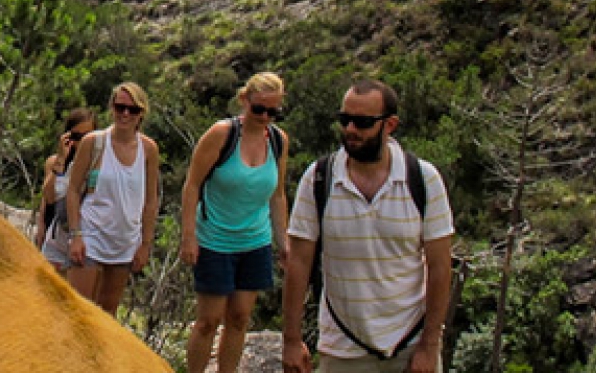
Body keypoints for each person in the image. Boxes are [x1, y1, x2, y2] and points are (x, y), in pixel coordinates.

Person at [282, 80, 454, 373]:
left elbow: (440, 267)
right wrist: (291, 340)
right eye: (345, 120)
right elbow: (298, 262)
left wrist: (429, 345)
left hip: (410, 346)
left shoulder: (424, 180)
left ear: (390, 125)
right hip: (343, 348)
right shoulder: (318, 179)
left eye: (362, 122)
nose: (350, 130)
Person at [180, 72, 290, 373]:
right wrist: (188, 236)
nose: (266, 116)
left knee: (240, 317)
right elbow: (192, 185)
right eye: (259, 109)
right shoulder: (221, 135)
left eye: (273, 111)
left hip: (255, 241)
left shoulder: (278, 141)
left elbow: (277, 195)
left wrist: (284, 242)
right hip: (215, 239)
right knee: (209, 320)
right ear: (245, 101)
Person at [66, 82, 161, 315]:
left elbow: (151, 200)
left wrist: (146, 244)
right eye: (120, 107)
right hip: (91, 234)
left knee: (107, 314)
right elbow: (73, 190)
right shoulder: (94, 143)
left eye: (133, 109)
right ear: (112, 108)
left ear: (141, 114)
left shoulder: (148, 150)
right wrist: (76, 234)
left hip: (125, 240)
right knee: (78, 310)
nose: (125, 114)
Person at [37, 108, 97, 269]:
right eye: (77, 137)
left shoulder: (99, 164)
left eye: (87, 136)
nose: (82, 142)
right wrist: (61, 160)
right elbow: (48, 198)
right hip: (57, 239)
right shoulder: (56, 163)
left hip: (87, 240)